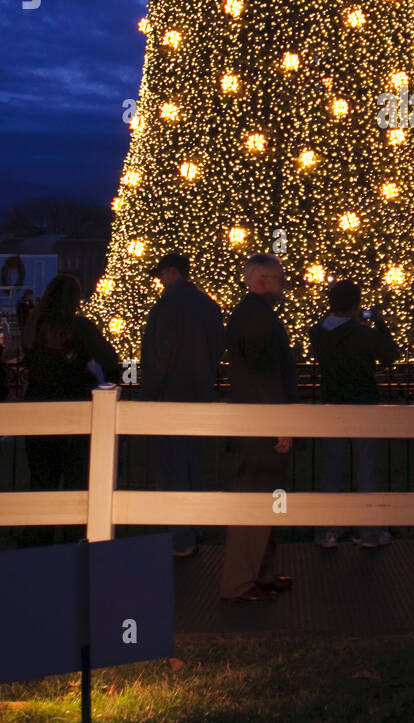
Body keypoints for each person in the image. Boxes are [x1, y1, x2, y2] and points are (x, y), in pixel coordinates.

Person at [21, 274, 121, 547]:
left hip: (37, 414)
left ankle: (36, 545)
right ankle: (72, 545)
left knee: (42, 481)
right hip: (75, 414)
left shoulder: (34, 328)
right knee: (77, 482)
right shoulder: (80, 328)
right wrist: (134, 375)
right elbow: (113, 363)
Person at [220, 255, 297, 602]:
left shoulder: (251, 314)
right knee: (257, 496)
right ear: (264, 279)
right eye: (280, 278)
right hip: (259, 425)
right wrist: (279, 422)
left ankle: (260, 573)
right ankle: (241, 580)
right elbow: (265, 376)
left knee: (266, 496)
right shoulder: (258, 318)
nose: (284, 284)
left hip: (255, 422)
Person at [139, 252, 224, 558]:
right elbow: (216, 348)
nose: (159, 280)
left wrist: (149, 391)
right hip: (199, 392)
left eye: (161, 274)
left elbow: (160, 354)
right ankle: (195, 528)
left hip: (170, 397)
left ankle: (180, 536)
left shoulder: (166, 306)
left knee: (171, 466)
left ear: (172, 272)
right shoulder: (208, 306)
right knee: (193, 462)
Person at [309, 279, 399, 548]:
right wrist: (380, 323)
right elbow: (390, 354)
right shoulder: (363, 334)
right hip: (363, 406)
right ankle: (370, 531)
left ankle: (327, 531)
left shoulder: (318, 334)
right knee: (366, 469)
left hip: (332, 405)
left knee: (331, 470)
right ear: (357, 305)